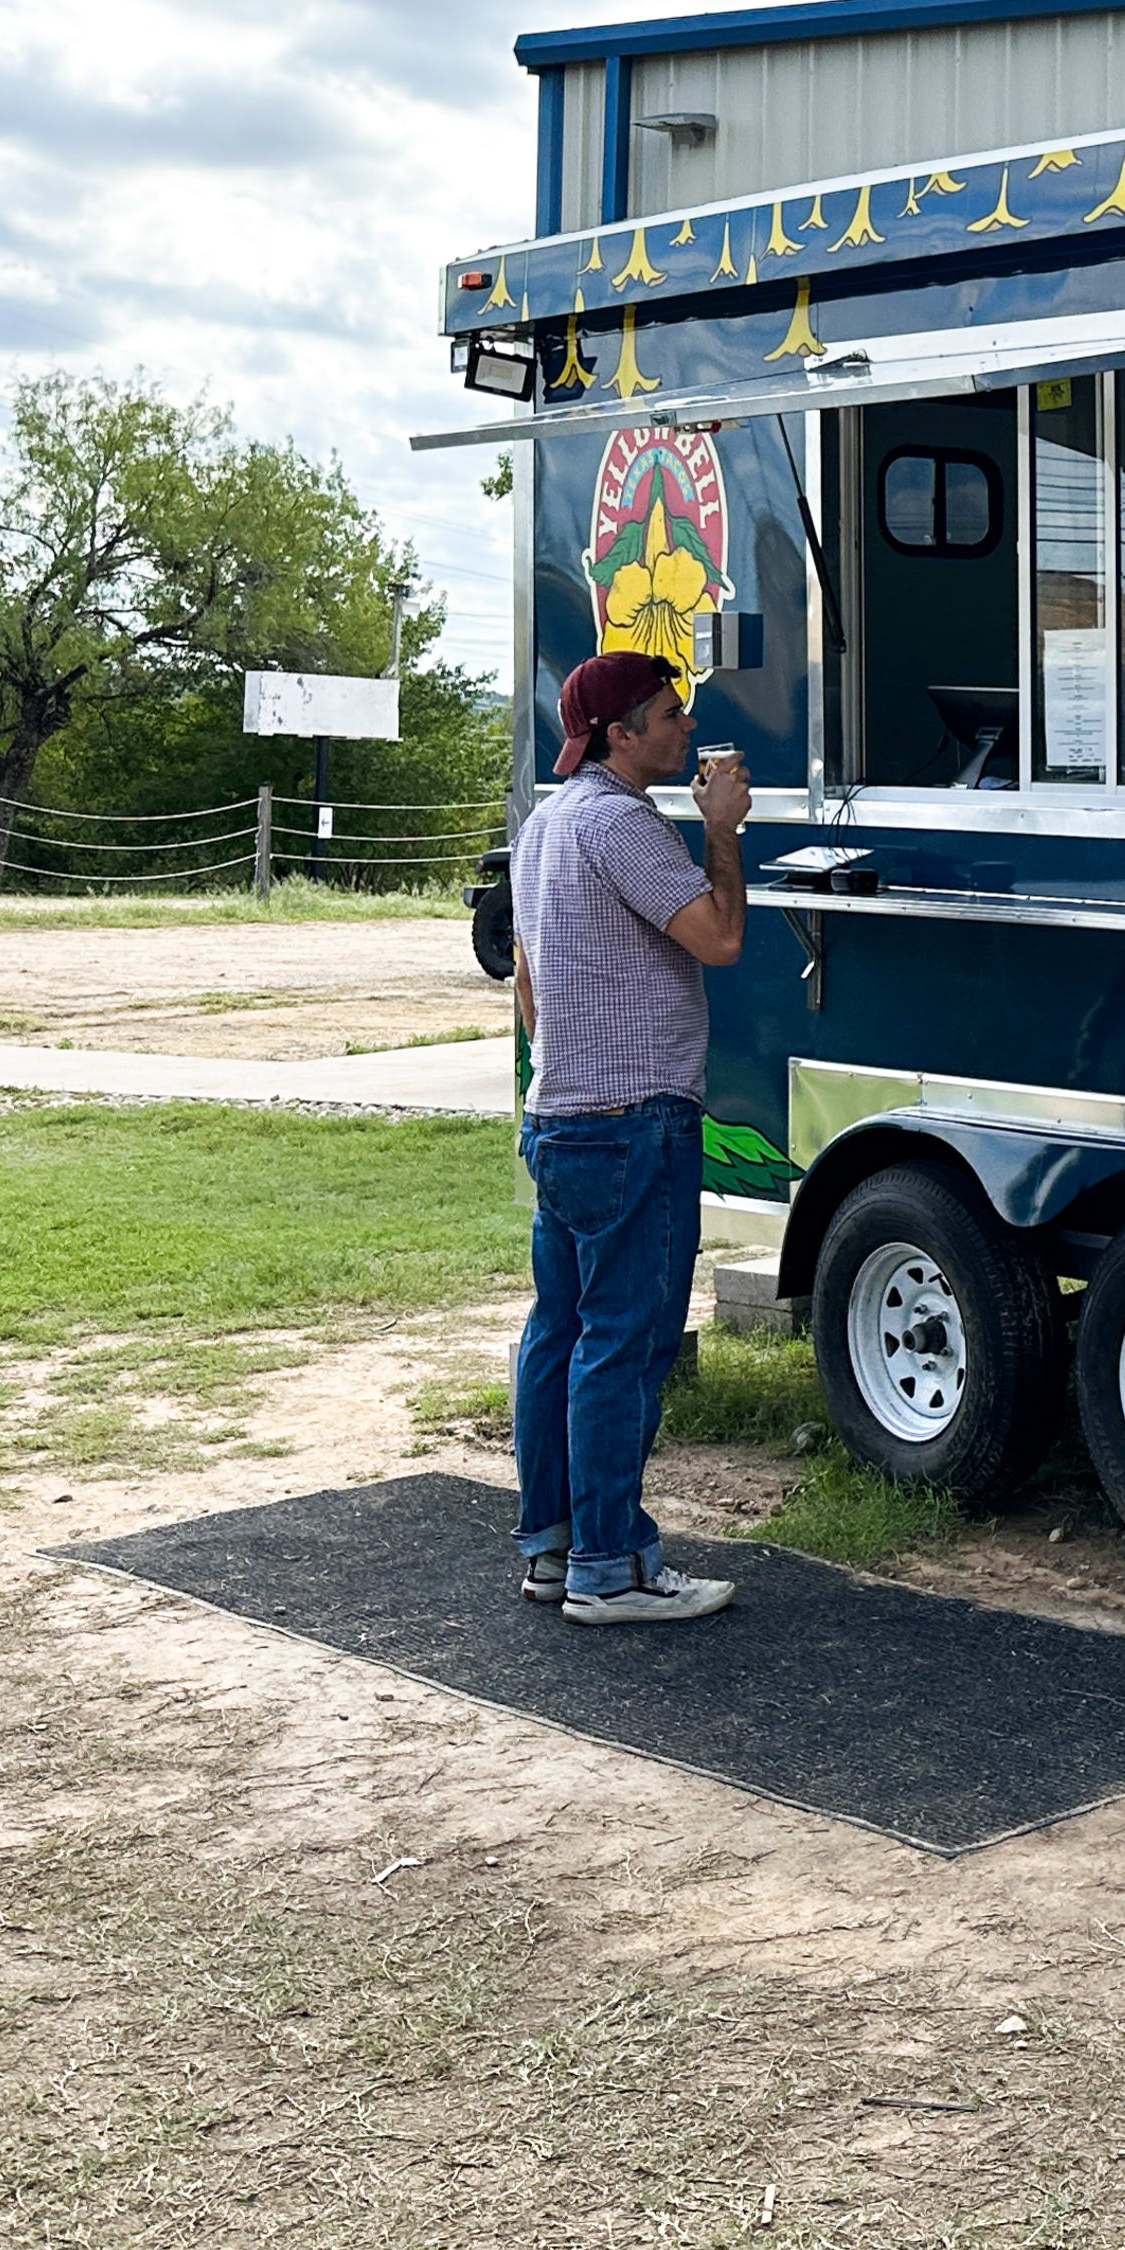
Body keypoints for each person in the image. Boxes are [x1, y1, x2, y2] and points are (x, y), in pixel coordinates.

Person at [506, 649, 752, 1624]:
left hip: (561, 1117)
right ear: (621, 734)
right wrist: (723, 833)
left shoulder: (545, 825)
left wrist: (568, 1060)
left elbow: (527, 983)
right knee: (626, 1342)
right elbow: (721, 939)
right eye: (668, 714)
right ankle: (611, 1570)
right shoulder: (623, 822)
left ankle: (550, 1548)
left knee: (558, 1334)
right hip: (635, 1122)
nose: (685, 728)